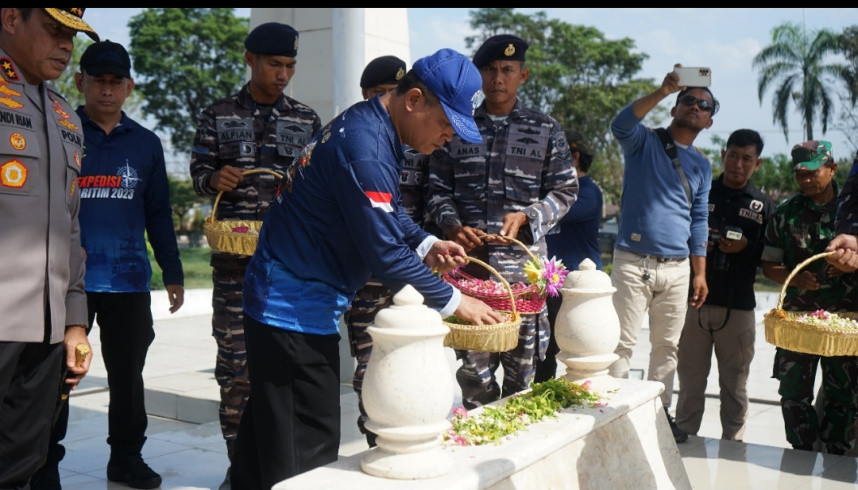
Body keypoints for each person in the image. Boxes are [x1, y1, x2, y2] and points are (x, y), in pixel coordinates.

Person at [230, 48, 503, 488]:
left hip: (287, 297)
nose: (449, 137)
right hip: (291, 311)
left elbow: (382, 207)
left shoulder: (371, 125)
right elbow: (385, 254)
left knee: (267, 436)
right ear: (414, 100)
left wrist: (427, 242)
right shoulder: (367, 148)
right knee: (306, 457)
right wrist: (456, 301)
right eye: (446, 123)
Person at [30, 40, 185, 490]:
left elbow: (158, 212)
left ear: (129, 87)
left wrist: (172, 272)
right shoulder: (62, 131)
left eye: (117, 82)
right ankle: (45, 465)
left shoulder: (146, 143)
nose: (107, 90)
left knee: (127, 376)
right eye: (98, 80)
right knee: (59, 376)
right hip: (65, 281)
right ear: (80, 81)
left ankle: (126, 459)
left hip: (128, 279)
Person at [189, 22, 322, 488]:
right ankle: (239, 468)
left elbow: (318, 185)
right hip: (234, 270)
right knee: (236, 373)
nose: (282, 74)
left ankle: (281, 466)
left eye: (290, 66)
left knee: (287, 373)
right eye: (274, 64)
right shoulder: (217, 114)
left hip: (288, 271)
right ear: (250, 59)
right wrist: (213, 179)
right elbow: (198, 172)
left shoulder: (306, 120)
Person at [427, 34, 578, 410]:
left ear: (522, 75)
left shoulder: (545, 129)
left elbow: (565, 190)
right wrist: (451, 226)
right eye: (490, 70)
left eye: (507, 70)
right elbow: (437, 189)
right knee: (474, 381)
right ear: (479, 75)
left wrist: (529, 215)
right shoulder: (457, 125)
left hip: (522, 278)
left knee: (522, 384)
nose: (498, 78)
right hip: (471, 273)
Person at [0, 8, 97, 488]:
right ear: (11, 18)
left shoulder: (64, 116)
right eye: (55, 30)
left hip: (45, 333)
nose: (66, 45)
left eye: (71, 35)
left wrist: (75, 322)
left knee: (22, 464)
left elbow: (69, 227)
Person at [607, 64, 714, 444]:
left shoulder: (702, 165)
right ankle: (612, 412)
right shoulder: (645, 142)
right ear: (675, 108)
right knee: (621, 342)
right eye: (689, 100)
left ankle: (658, 414)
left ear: (709, 121)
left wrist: (699, 273)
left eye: (704, 105)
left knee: (667, 348)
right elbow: (620, 124)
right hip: (633, 261)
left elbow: (699, 220)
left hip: (678, 268)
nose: (695, 106)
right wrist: (662, 90)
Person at [344, 54, 439, 448]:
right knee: (372, 364)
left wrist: (430, 242)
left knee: (415, 359)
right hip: (370, 270)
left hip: (412, 271)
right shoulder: (363, 140)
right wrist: (453, 299)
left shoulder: (420, 138)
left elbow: (408, 205)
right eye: (380, 93)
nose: (387, 100)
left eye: (392, 91)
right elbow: (377, 220)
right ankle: (377, 443)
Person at [674, 129, 774, 442]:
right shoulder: (700, 192)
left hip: (738, 306)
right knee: (690, 381)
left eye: (746, 159)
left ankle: (734, 444)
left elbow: (771, 257)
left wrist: (745, 247)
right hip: (694, 302)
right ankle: (684, 440)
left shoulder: (763, 205)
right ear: (723, 155)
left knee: (735, 385)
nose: (738, 164)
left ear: (757, 163)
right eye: (732, 156)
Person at [761, 140, 858, 455]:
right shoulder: (785, 214)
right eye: (799, 174)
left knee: (844, 395)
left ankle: (837, 454)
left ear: (832, 169)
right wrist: (795, 277)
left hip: (843, 323)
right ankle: (801, 454)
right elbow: (770, 265)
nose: (805, 180)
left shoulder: (851, 211)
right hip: (797, 322)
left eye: (812, 173)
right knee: (793, 394)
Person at [533, 129, 602, 383]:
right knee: (544, 351)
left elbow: (549, 213)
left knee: (579, 354)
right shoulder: (551, 192)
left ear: (574, 157)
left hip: (574, 289)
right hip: (548, 284)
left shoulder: (588, 192)